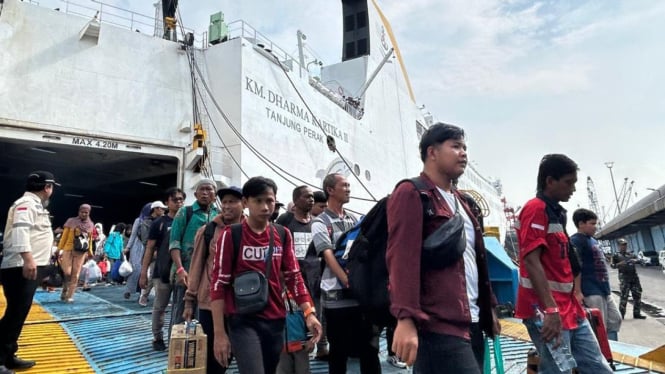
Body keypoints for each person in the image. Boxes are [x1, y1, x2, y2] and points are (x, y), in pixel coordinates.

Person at [388, 124, 499, 373]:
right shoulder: (412, 192)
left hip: (471, 323)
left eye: (465, 147)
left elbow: (475, 260)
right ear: (432, 152)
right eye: (455, 146)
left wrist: (488, 307)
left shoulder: (463, 203)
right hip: (437, 325)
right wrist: (405, 318)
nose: (464, 153)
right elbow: (401, 259)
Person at [209, 176, 322, 374]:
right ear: (246, 203)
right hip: (243, 320)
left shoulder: (282, 234)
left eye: (269, 200)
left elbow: (294, 276)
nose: (265, 207)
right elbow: (219, 284)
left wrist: (309, 314)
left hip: (276, 319)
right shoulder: (231, 234)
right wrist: (219, 333)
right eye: (258, 201)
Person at [515, 154, 612, 374]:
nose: (573, 189)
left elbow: (567, 261)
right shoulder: (535, 209)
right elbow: (531, 260)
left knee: (598, 367)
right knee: (558, 371)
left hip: (569, 308)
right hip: (546, 310)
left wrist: (575, 295)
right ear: (550, 181)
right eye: (569, 182)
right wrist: (550, 309)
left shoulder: (556, 212)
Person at [311, 173, 380, 374]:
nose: (349, 189)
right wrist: (347, 280)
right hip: (336, 298)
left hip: (358, 297)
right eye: (345, 185)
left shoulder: (354, 220)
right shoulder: (320, 222)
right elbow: (327, 254)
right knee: (338, 351)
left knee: (369, 349)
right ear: (330, 190)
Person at [0, 171, 59, 374]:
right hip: (20, 266)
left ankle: (8, 356)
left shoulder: (34, 205)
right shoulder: (25, 204)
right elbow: (21, 231)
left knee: (17, 313)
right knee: (15, 314)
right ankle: (1, 360)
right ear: (47, 187)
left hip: (26, 266)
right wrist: (28, 259)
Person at [183, 186, 244, 373]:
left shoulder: (251, 230)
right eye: (224, 202)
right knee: (213, 357)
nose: (227, 206)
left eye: (232, 202)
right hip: (209, 302)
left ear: (244, 204)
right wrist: (189, 300)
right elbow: (196, 266)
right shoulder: (208, 230)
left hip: (242, 302)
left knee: (240, 352)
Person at [169, 179, 218, 335]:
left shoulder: (219, 216)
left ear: (215, 194)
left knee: (204, 314)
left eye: (209, 190)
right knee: (181, 313)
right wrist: (180, 269)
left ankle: (198, 350)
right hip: (185, 271)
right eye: (201, 189)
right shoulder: (185, 212)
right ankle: (176, 349)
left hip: (209, 275)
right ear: (195, 194)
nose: (205, 193)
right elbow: (174, 243)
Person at [139, 187, 185, 351]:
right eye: (175, 200)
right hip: (163, 271)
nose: (179, 202)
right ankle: (158, 337)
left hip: (182, 273)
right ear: (167, 203)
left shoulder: (187, 220)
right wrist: (143, 273)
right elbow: (150, 249)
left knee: (181, 308)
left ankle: (176, 339)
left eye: (181, 199)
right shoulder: (159, 223)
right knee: (160, 307)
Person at [570, 209, 622, 340]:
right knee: (599, 326)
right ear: (581, 224)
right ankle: (604, 356)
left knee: (615, 319)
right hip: (591, 291)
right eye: (592, 223)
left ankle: (613, 349)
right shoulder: (576, 241)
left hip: (603, 290)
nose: (595, 227)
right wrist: (577, 292)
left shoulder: (592, 240)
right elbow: (575, 268)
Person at [58, 204, 96, 303]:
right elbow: (64, 236)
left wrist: (90, 251)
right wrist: (59, 249)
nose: (84, 214)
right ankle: (65, 289)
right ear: (79, 212)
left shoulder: (90, 224)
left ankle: (69, 296)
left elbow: (90, 240)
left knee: (76, 274)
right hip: (68, 249)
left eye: (86, 212)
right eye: (82, 212)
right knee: (67, 272)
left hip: (81, 252)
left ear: (89, 213)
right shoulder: (71, 221)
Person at [123, 203, 152, 301]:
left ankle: (143, 293)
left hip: (149, 246)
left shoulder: (156, 220)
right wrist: (128, 247)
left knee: (147, 271)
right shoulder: (138, 221)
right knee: (136, 270)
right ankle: (129, 290)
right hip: (137, 247)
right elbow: (133, 235)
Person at [612, 238, 646, 319]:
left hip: (634, 277)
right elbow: (612, 265)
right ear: (619, 246)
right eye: (622, 245)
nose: (624, 246)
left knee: (637, 295)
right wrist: (619, 264)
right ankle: (621, 315)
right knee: (624, 296)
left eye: (625, 245)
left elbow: (641, 261)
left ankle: (637, 313)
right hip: (624, 278)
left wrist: (636, 260)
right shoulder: (616, 255)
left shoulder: (630, 254)